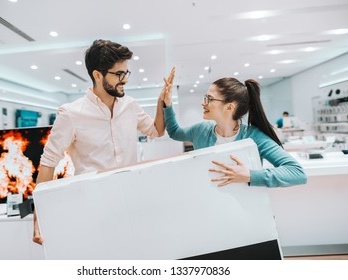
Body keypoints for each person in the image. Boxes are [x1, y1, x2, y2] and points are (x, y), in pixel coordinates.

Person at [33, 39, 174, 245]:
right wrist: (39, 219)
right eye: (118, 74)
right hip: (93, 207)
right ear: (97, 75)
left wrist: (162, 100)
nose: (125, 80)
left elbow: (156, 131)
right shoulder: (71, 114)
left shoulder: (130, 105)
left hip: (131, 199)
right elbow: (48, 165)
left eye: (126, 73)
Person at [162, 76, 307, 188]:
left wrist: (251, 175)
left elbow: (297, 173)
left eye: (209, 99)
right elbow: (175, 132)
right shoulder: (201, 130)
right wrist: (167, 105)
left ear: (229, 107)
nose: (203, 103)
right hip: (209, 209)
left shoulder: (254, 137)